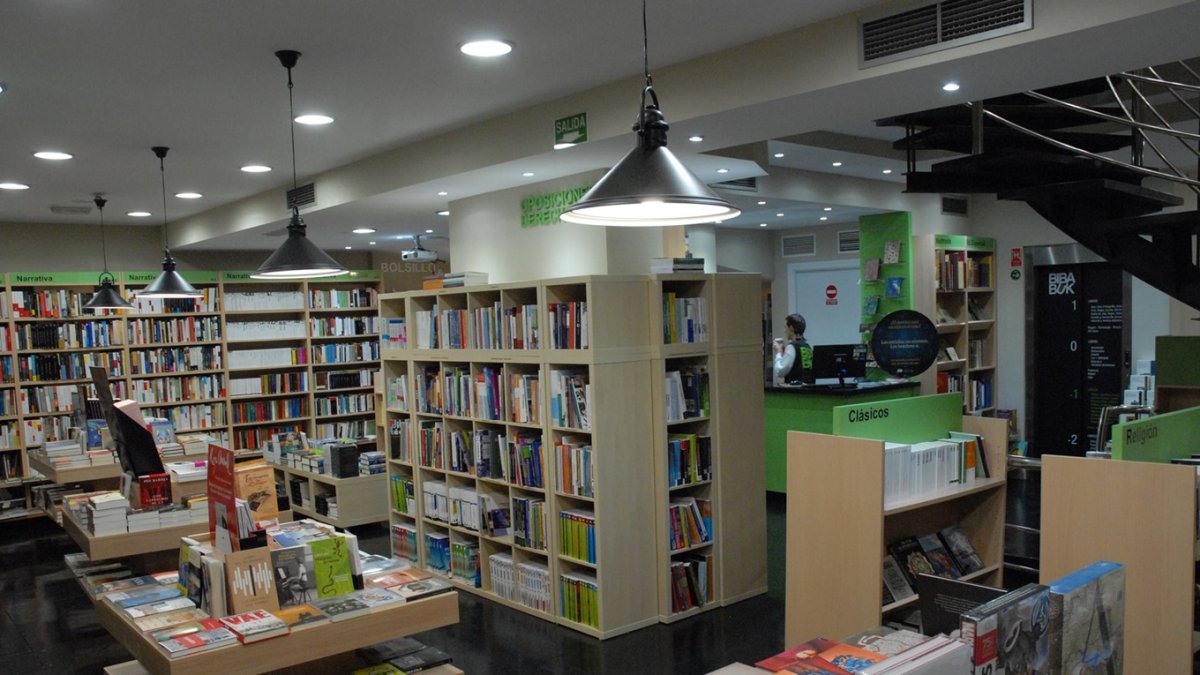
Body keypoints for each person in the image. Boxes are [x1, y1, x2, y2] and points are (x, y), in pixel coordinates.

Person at [773, 313, 814, 385]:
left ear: (791, 328)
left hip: (795, 390)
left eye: (785, 327)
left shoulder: (791, 347)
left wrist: (779, 353)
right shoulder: (807, 346)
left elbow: (780, 371)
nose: (784, 331)